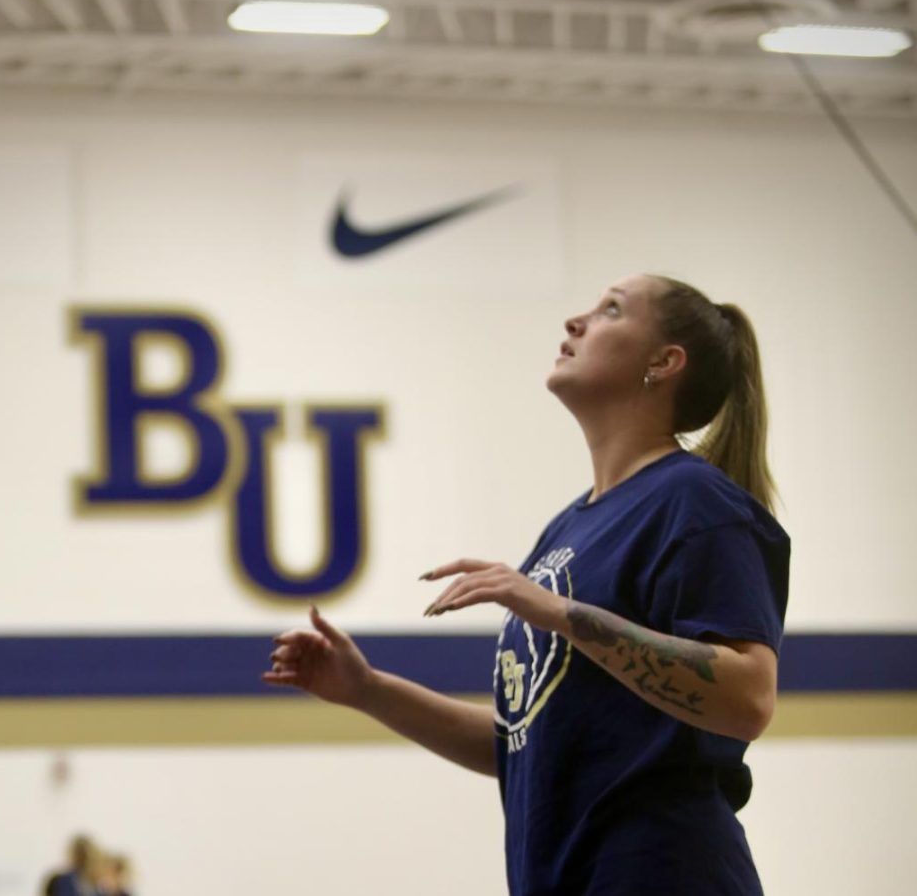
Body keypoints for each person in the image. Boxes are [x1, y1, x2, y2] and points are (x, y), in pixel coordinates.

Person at [264, 273, 789, 895]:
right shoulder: (570, 526)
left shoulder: (695, 500)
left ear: (664, 362)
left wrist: (558, 611)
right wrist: (369, 689)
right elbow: (527, 748)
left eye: (610, 311)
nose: (576, 321)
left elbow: (748, 699)